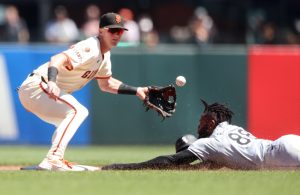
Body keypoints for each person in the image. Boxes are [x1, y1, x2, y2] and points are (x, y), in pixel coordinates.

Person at [18, 12, 149, 171]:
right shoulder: (91, 47)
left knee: (67, 123)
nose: (117, 35)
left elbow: (106, 84)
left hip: (39, 93)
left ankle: (50, 162)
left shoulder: (105, 55)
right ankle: (53, 159)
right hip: (39, 85)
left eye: (120, 31)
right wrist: (52, 81)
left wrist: (137, 91)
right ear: (101, 31)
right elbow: (57, 59)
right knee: (78, 111)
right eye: (112, 30)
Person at [102, 99, 300, 170]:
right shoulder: (231, 129)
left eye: (201, 121)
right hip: (287, 142)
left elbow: (169, 161)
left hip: (280, 155)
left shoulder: (210, 143)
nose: (198, 125)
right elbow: (217, 163)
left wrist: (126, 166)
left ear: (211, 122)